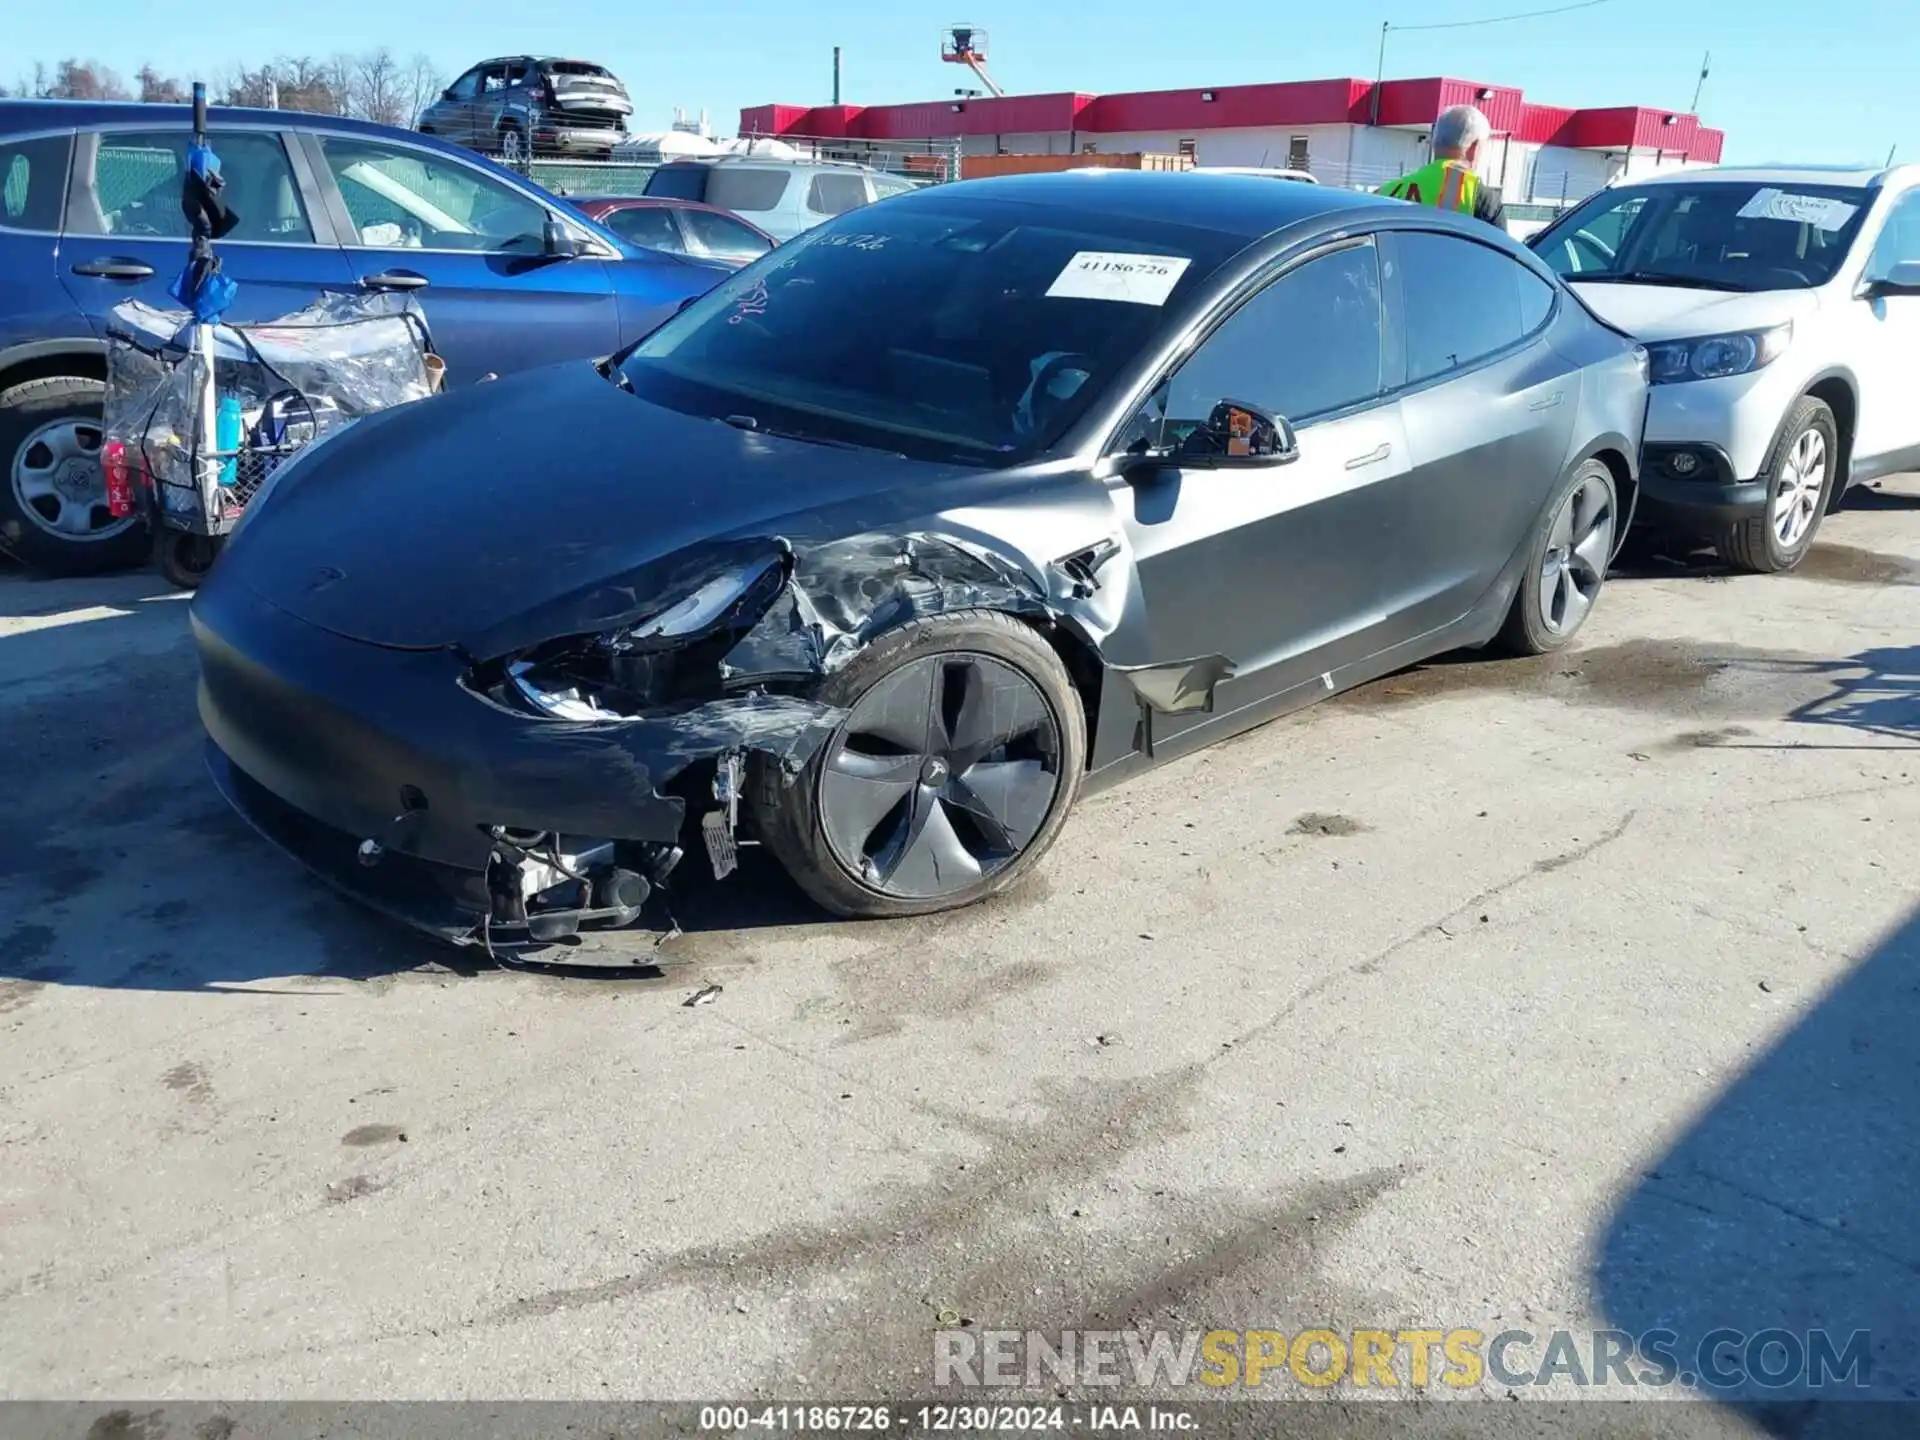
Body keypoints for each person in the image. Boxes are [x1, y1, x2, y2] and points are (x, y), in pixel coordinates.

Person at [1381, 104, 1509, 231]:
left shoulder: (1387, 191)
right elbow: (1503, 249)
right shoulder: (1482, 199)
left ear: (1434, 143)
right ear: (1474, 147)